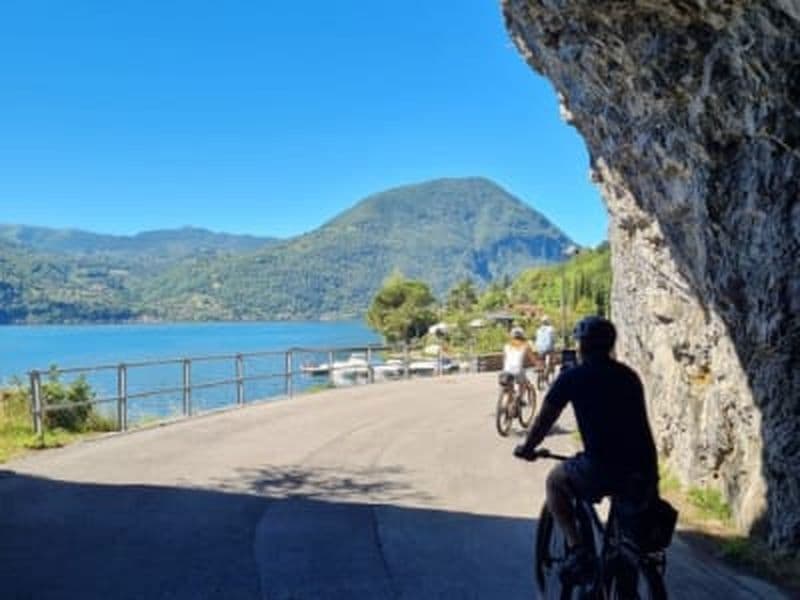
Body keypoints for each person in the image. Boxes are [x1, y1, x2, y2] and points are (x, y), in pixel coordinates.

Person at [514, 316, 658, 583]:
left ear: (581, 346)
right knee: (628, 540)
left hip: (601, 467)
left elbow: (544, 421)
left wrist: (527, 448)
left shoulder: (573, 377)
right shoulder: (628, 376)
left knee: (555, 481)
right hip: (643, 468)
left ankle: (579, 550)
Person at [502, 326, 537, 397]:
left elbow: (505, 359)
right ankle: (519, 399)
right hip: (518, 370)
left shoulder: (506, 346)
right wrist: (538, 366)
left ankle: (507, 403)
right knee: (523, 383)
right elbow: (533, 359)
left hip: (506, 370)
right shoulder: (526, 345)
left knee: (509, 385)